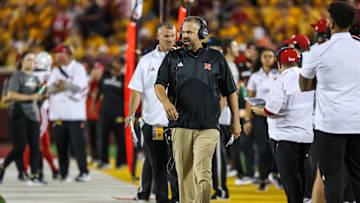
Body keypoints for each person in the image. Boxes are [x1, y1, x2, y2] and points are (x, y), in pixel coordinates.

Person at [154, 16, 241, 203]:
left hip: (208, 127)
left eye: (189, 32)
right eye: (183, 32)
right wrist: (166, 103)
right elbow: (159, 85)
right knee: (184, 175)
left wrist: (236, 121)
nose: (184, 35)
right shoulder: (173, 57)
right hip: (180, 126)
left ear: (202, 34)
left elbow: (231, 91)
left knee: (203, 172)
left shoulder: (216, 59)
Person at [299, 2, 360, 202]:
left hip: (330, 125)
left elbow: (304, 86)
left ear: (330, 23)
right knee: (357, 176)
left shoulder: (318, 51)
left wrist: (326, 80)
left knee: (332, 177)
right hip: (357, 122)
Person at [252, 47, 315, 203]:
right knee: (305, 177)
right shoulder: (309, 78)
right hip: (307, 136)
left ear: (279, 64)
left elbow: (271, 110)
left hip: (285, 138)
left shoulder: (281, 80)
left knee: (291, 183)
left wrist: (257, 110)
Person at [124, 22, 177, 203]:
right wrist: (131, 113)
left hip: (179, 124)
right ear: (158, 37)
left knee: (177, 165)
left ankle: (177, 198)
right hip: (154, 122)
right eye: (166, 36)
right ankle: (162, 199)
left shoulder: (183, 57)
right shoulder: (147, 61)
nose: (170, 39)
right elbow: (136, 90)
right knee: (159, 165)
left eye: (172, 36)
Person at [47, 44, 90, 182]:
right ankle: (63, 173)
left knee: (78, 146)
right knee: (61, 145)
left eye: (60, 53)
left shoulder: (78, 68)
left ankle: (84, 172)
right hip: (58, 114)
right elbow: (49, 89)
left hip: (75, 114)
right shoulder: (55, 69)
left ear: (67, 54)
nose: (57, 56)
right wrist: (65, 85)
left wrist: (62, 84)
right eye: (56, 53)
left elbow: (79, 88)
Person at [0, 51, 43, 185]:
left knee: (35, 146)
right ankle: (2, 166)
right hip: (19, 114)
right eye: (28, 60)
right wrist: (31, 97)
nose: (31, 62)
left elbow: (39, 95)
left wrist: (43, 92)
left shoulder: (36, 78)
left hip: (34, 114)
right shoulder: (17, 75)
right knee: (20, 147)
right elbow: (12, 95)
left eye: (33, 60)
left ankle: (34, 175)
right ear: (22, 62)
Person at [244, 48, 281, 191]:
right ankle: (263, 179)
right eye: (265, 56)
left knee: (276, 147)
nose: (267, 58)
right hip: (260, 115)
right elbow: (249, 100)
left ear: (274, 59)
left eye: (270, 56)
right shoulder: (255, 76)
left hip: (275, 115)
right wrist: (248, 120)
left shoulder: (278, 74)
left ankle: (276, 175)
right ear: (260, 59)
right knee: (261, 148)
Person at [23, 52, 59, 181]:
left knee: (44, 143)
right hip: (41, 111)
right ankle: (28, 169)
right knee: (36, 142)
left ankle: (54, 169)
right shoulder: (48, 76)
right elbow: (42, 91)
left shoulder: (30, 74)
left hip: (31, 110)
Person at [206, 37, 230, 200]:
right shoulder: (204, 65)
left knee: (218, 154)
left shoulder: (223, 66)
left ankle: (221, 188)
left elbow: (225, 95)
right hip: (203, 117)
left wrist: (215, 116)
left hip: (217, 119)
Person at [93, 57, 127, 169]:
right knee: (102, 137)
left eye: (117, 62)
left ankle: (120, 162)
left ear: (121, 66)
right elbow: (98, 90)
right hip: (104, 112)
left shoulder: (124, 78)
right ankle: (103, 161)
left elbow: (127, 97)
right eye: (114, 61)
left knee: (120, 139)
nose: (114, 64)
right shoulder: (105, 75)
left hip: (118, 113)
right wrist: (94, 104)